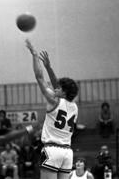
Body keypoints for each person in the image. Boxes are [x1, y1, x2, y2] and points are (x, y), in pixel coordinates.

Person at [26, 39, 79, 179]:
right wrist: (49, 67)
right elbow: (57, 87)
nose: (57, 88)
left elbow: (39, 77)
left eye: (61, 88)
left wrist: (34, 54)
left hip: (52, 150)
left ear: (64, 92)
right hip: (67, 152)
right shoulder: (74, 107)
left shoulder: (53, 100)